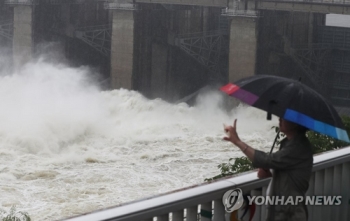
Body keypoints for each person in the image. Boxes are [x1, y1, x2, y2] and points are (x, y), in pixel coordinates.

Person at [224, 118, 313, 221]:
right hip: (282, 210)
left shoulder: (297, 146)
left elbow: (267, 160)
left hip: (288, 214)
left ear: (296, 123)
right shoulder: (289, 143)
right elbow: (289, 172)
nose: (280, 119)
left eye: (284, 118)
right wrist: (270, 173)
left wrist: (238, 142)